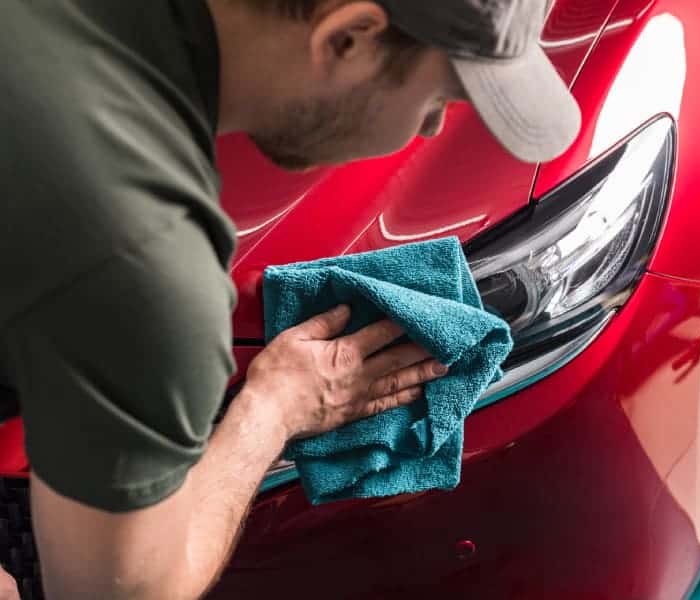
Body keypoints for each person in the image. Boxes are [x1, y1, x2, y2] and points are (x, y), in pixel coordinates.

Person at [0, 0, 581, 598]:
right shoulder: (144, 250)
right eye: (440, 100)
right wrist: (273, 407)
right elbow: (119, 590)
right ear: (348, 38)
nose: (431, 128)